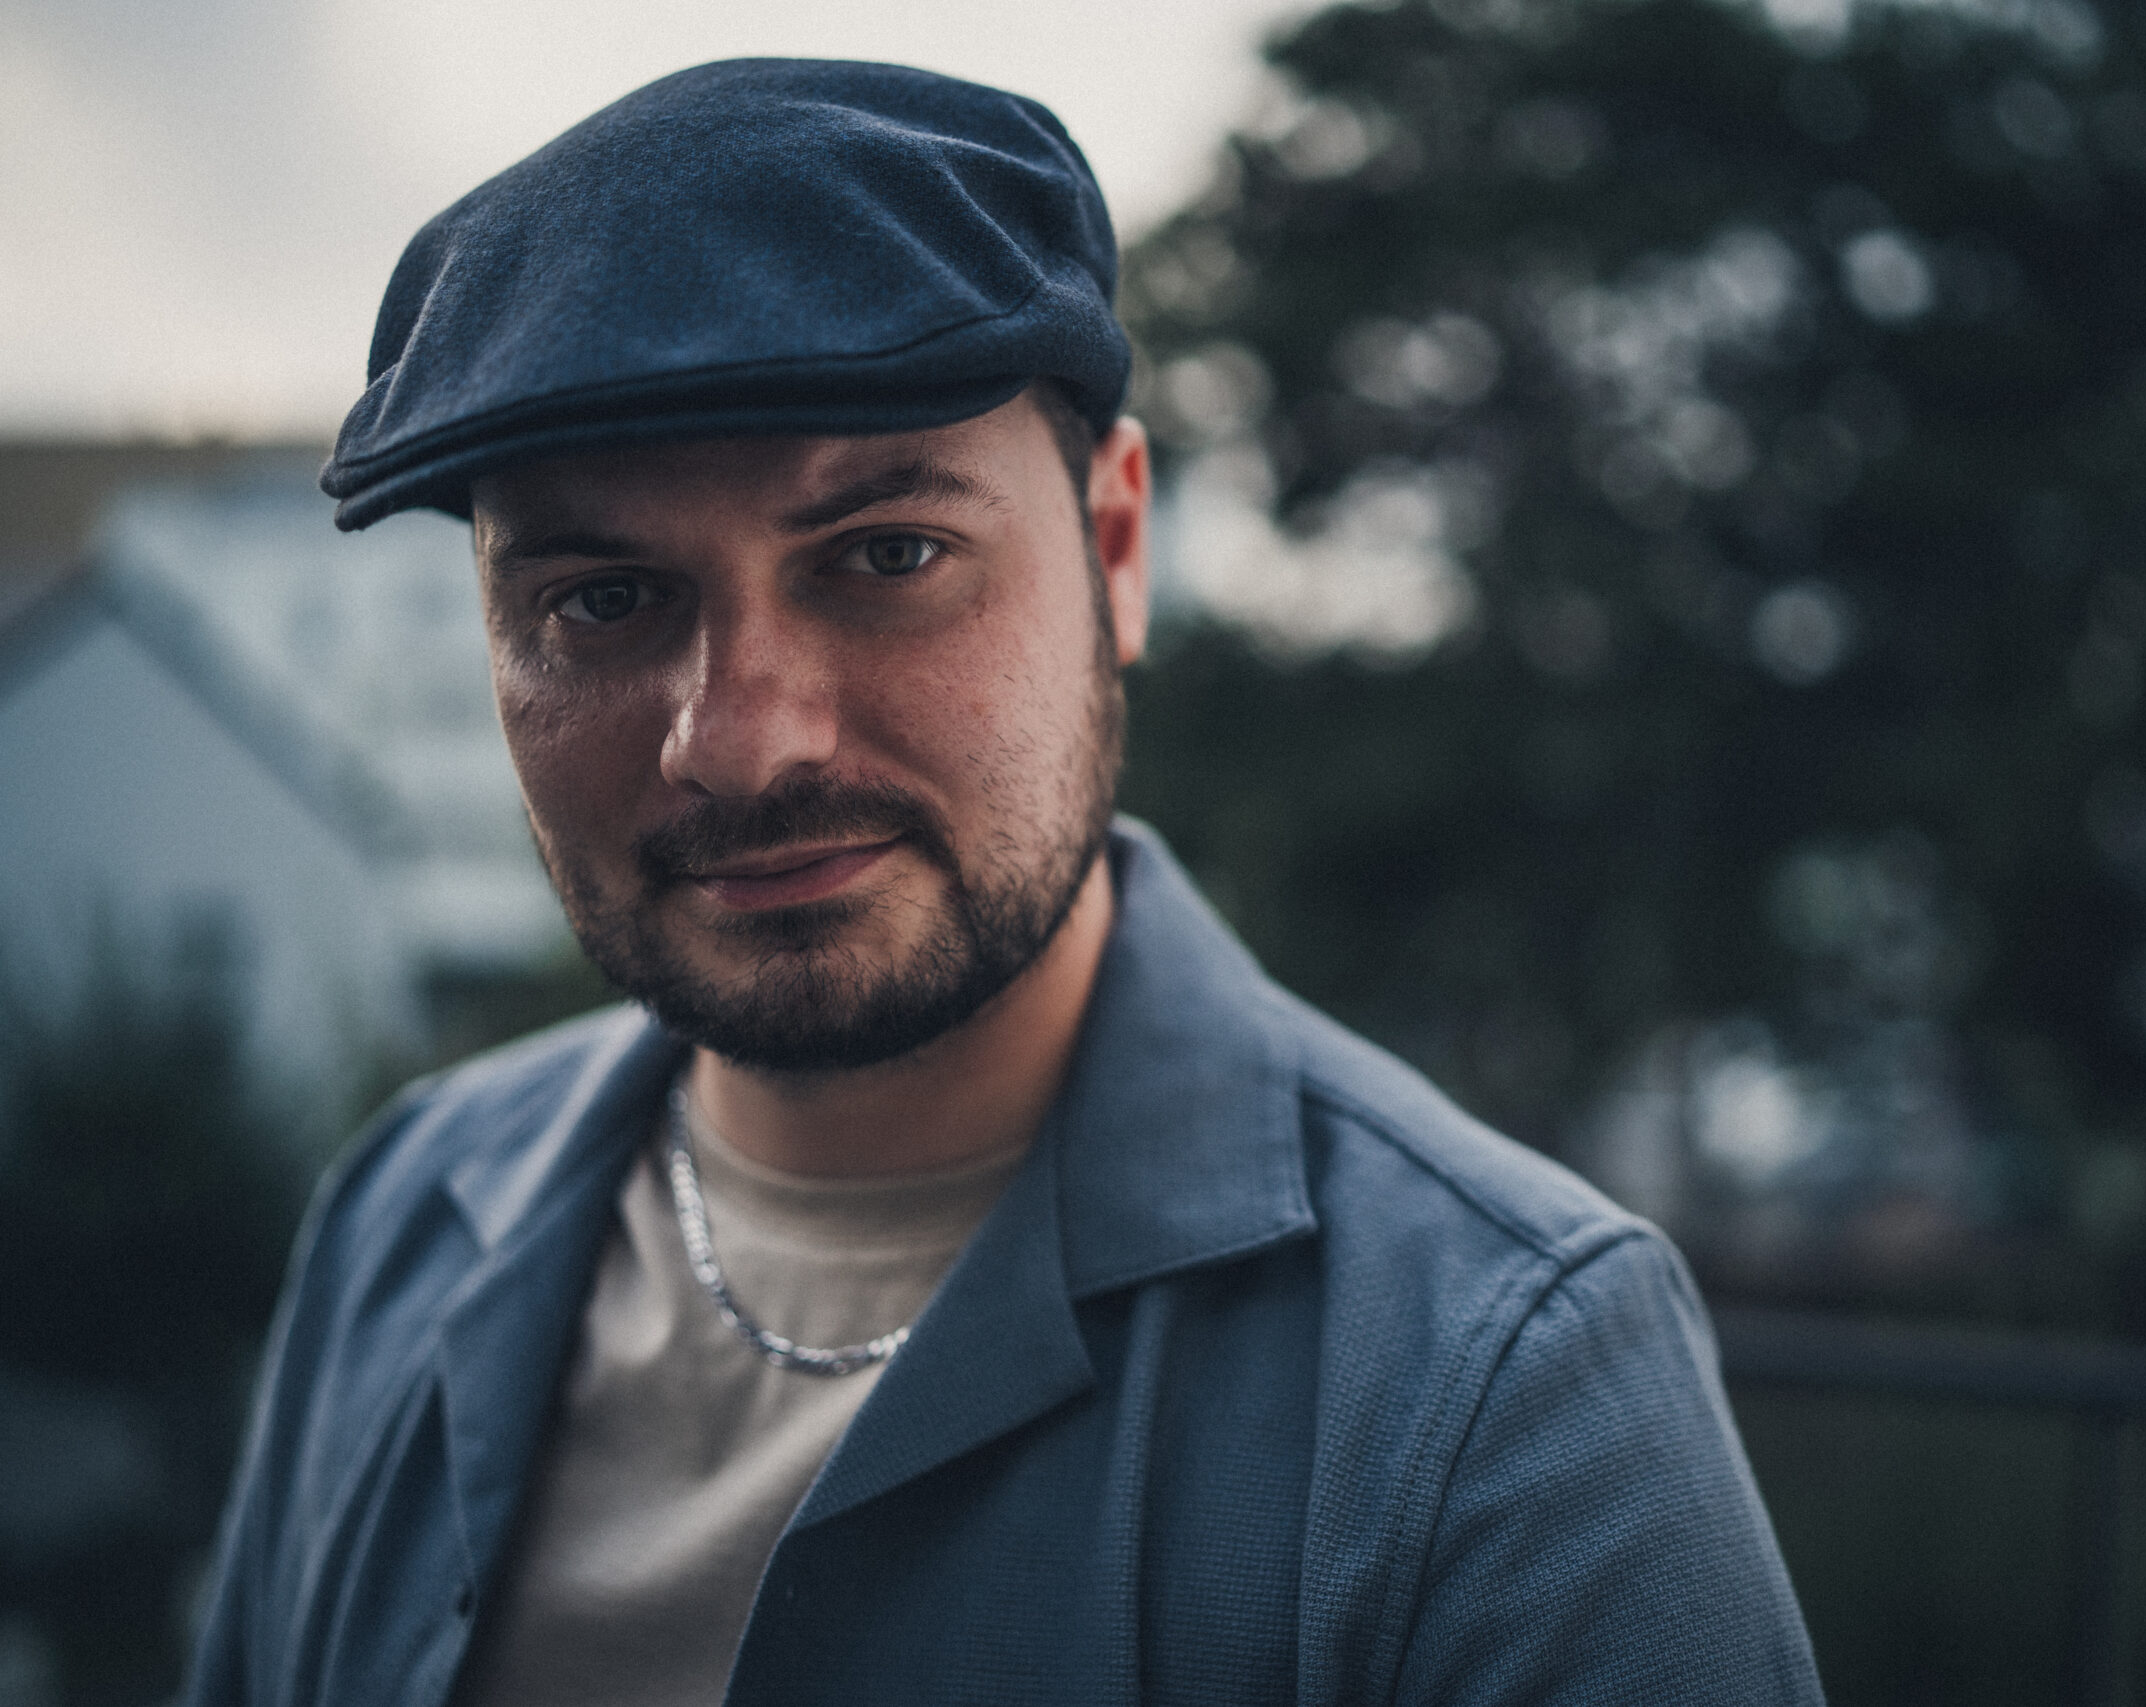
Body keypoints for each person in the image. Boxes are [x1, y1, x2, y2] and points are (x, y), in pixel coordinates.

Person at [185, 59, 1823, 1707]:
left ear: (1118, 550)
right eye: (603, 601)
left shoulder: (1503, 1399)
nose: (745, 742)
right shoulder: (402, 1220)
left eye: (886, 556)